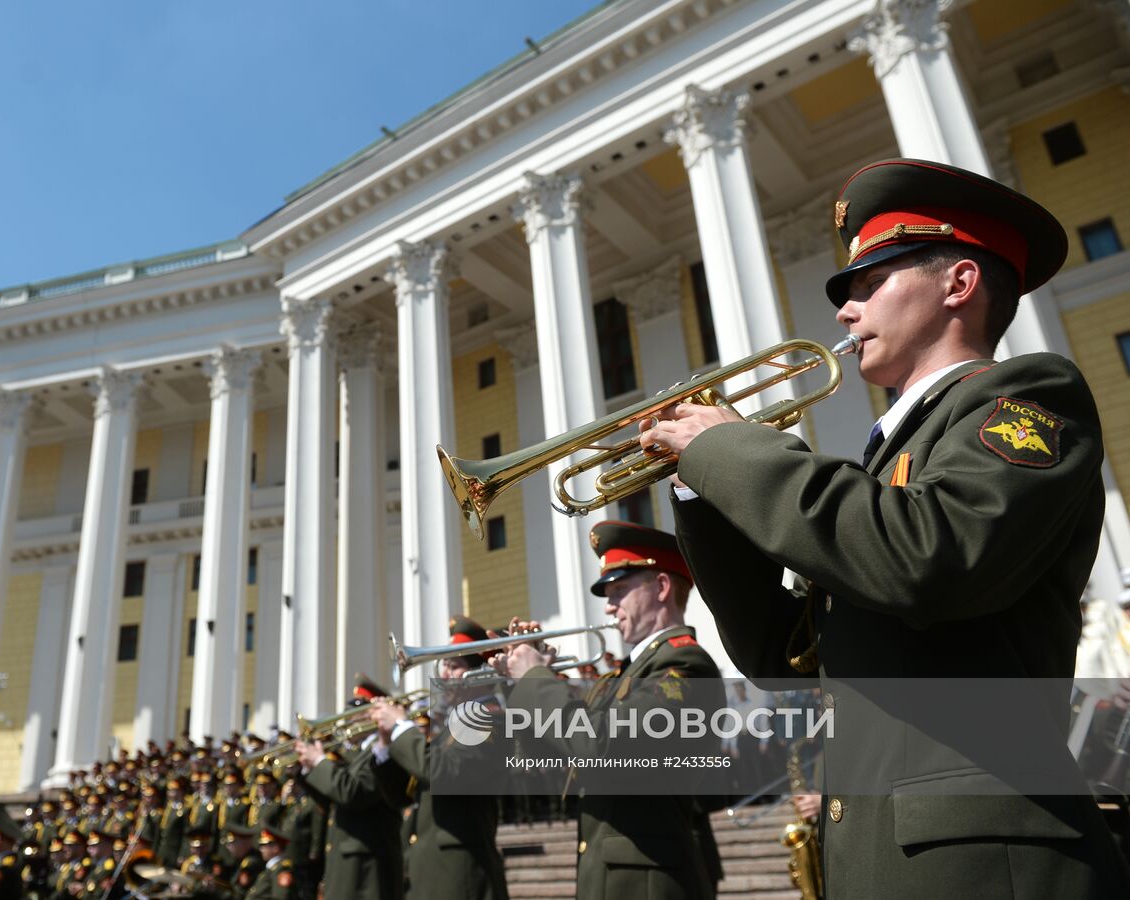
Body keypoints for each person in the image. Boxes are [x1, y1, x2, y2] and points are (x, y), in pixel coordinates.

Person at [640, 157, 1130, 897]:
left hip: (985, 863)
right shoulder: (881, 466)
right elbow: (782, 656)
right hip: (876, 855)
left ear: (958, 283)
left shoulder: (1027, 397)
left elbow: (925, 556)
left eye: (869, 284)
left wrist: (732, 448)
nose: (844, 310)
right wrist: (701, 490)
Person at [495, 520, 726, 899]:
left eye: (619, 590)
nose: (609, 607)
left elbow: (600, 748)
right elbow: (547, 759)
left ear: (662, 587)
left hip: (648, 882)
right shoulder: (624, 675)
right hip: (611, 876)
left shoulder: (684, 665)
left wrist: (537, 678)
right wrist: (522, 684)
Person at [368, 615, 508, 900]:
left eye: (453, 665)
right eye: (444, 663)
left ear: (478, 673)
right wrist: (385, 746)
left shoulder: (488, 716)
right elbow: (403, 796)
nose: (443, 673)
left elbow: (442, 772)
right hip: (432, 872)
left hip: (462, 876)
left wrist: (403, 728)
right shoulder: (453, 725)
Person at [294, 674, 404, 900]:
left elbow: (353, 793)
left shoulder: (385, 751)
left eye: (359, 712)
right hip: (344, 861)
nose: (350, 718)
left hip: (368, 866)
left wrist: (319, 763)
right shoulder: (356, 753)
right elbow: (332, 800)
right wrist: (307, 769)